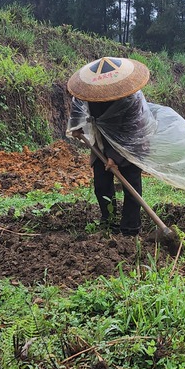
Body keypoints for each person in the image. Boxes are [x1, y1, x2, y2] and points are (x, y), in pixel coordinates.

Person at [66, 57, 154, 236]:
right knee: (101, 183)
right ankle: (109, 221)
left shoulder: (131, 99)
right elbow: (78, 107)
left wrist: (115, 156)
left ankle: (131, 227)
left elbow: (131, 128)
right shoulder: (90, 91)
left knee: (131, 182)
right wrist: (77, 127)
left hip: (131, 140)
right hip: (101, 140)